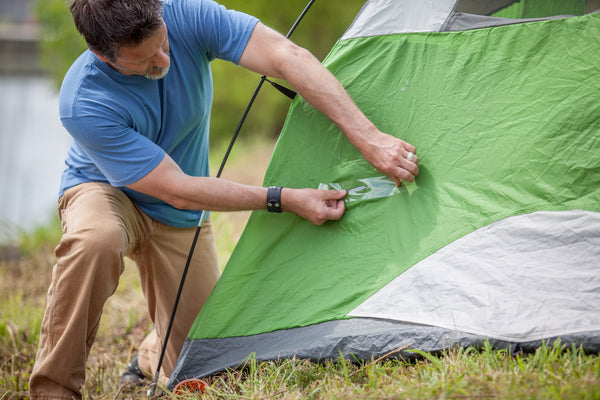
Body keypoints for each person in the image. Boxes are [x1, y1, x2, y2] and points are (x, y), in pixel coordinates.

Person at [29, 0, 419, 398]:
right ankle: (53, 389)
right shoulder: (82, 101)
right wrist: (281, 198)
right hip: (106, 191)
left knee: (204, 369)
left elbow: (286, 57)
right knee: (97, 240)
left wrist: (367, 136)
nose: (163, 62)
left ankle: (152, 355)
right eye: (144, 61)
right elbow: (178, 189)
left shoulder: (185, 14)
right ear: (101, 54)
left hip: (177, 213)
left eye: (164, 45)